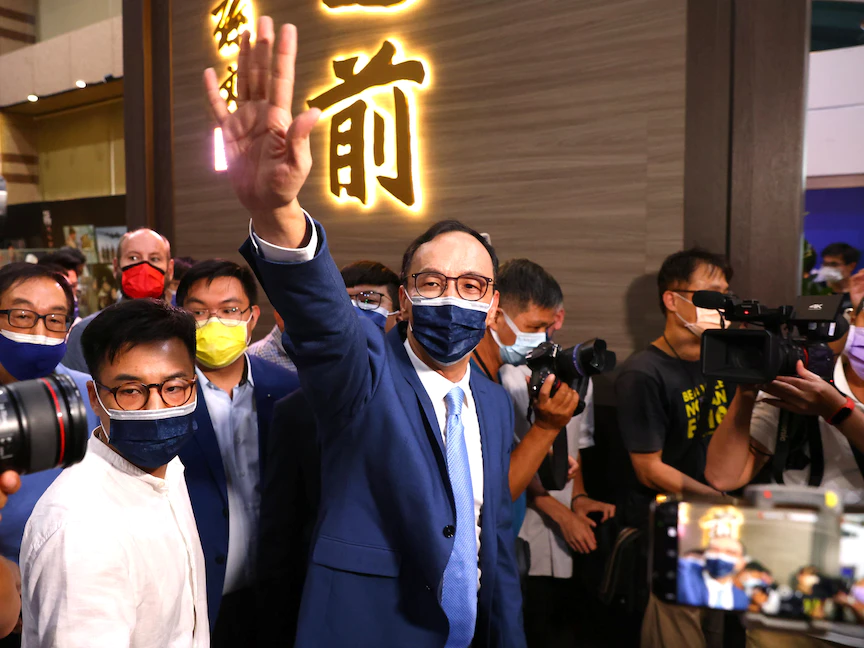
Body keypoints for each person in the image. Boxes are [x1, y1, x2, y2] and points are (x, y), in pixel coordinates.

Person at [207, 16, 524, 646]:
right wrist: (278, 212)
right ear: (404, 299)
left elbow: (493, 543)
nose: (451, 298)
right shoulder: (366, 378)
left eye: (471, 287)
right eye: (431, 282)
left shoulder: (492, 402)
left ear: (493, 307)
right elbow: (325, 323)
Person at [20, 299, 208, 647]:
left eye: (173, 387)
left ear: (193, 386)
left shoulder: (169, 470)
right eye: (130, 391)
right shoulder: (80, 532)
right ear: (95, 397)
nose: (155, 408)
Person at [255, 258, 398, 644]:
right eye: (345, 301)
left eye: (369, 300)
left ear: (400, 311)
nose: (357, 311)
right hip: (328, 597)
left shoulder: (432, 397)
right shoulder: (297, 410)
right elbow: (281, 532)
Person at [472, 258, 613, 648]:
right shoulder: (481, 386)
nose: (540, 341)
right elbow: (497, 488)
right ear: (496, 315)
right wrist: (547, 428)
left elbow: (507, 462)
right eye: (533, 328)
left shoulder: (494, 380)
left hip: (505, 541)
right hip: (486, 547)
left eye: (546, 329)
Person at [175, 259, 299, 646]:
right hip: (198, 598)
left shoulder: (289, 389)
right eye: (198, 312)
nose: (214, 323)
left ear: (252, 317)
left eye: (229, 310)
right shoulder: (163, 396)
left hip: (278, 592)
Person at [0, 265, 99, 602]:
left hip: (83, 591)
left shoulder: (91, 396)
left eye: (55, 319)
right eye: (22, 316)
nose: (39, 332)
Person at [616, 248, 735, 527]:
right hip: (665, 519)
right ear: (672, 300)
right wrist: (721, 502)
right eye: (712, 295)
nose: (722, 305)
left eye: (725, 295)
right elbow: (649, 469)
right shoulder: (643, 373)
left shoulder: (727, 362)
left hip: (717, 513)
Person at [62, 228, 174, 373]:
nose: (144, 268)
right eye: (133, 258)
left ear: (170, 270)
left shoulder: (185, 330)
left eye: (154, 259)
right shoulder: (87, 332)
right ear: (116, 267)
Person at [677, 537, 748, 610]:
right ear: (704, 555)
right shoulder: (684, 575)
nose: (720, 556)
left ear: (742, 562)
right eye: (714, 550)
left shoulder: (741, 598)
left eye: (730, 552)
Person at [817, 243, 861, 311]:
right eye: (825, 264)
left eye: (834, 264)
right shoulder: (816, 289)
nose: (828, 268)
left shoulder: (860, 293)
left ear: (851, 266)